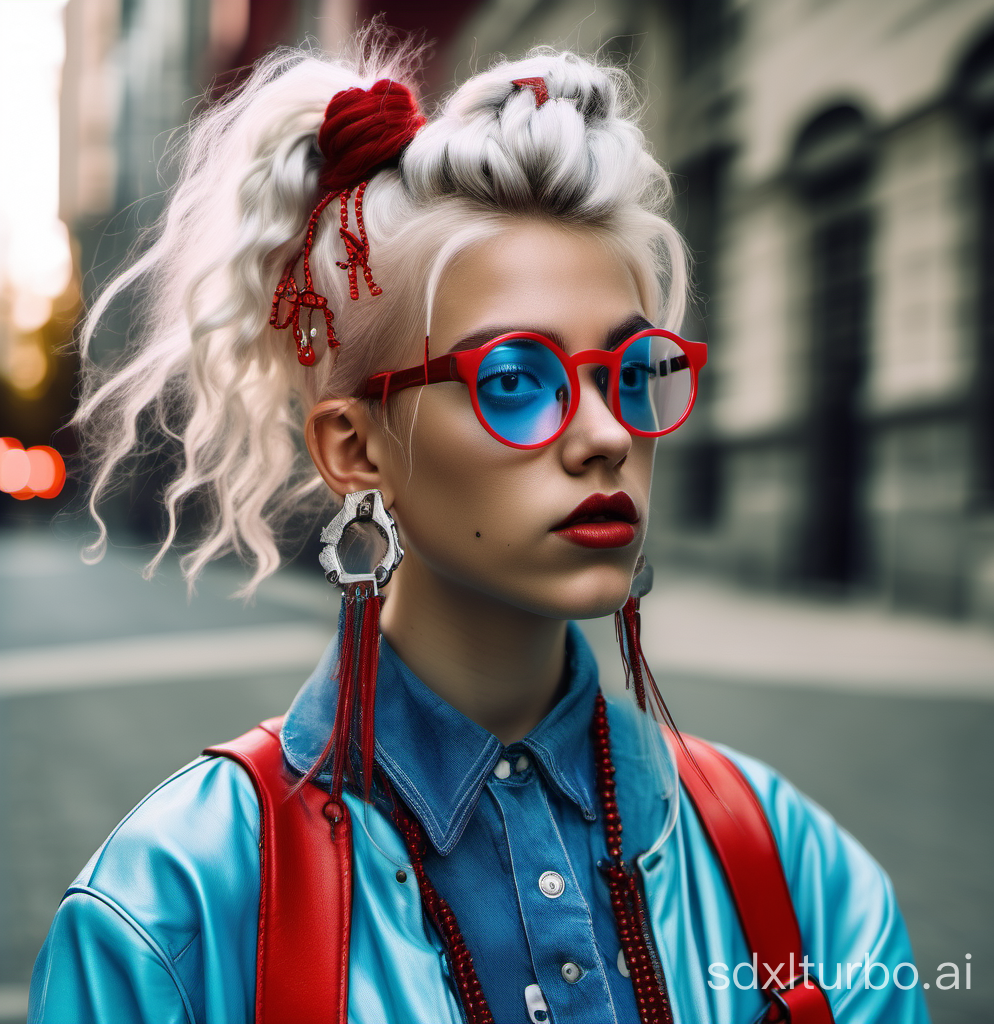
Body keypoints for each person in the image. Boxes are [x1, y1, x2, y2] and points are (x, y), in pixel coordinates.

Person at [29, 35, 929, 1024]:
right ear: (353, 446)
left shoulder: (798, 875)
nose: (604, 433)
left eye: (632, 373)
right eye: (513, 379)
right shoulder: (174, 905)